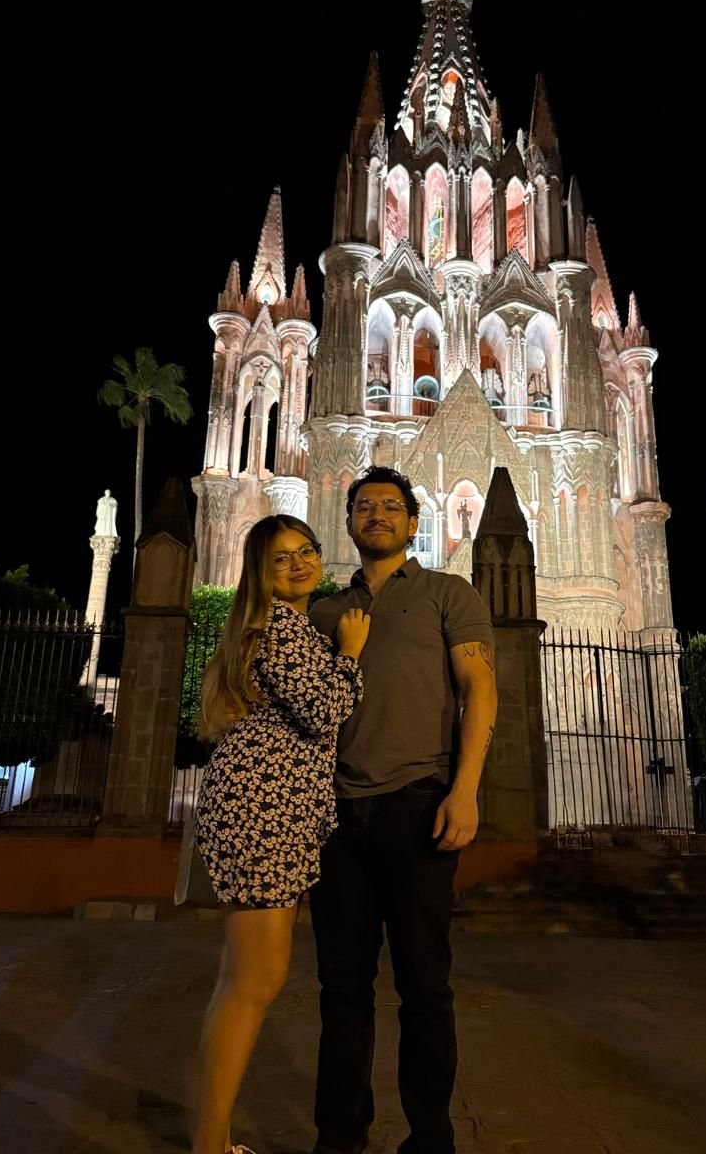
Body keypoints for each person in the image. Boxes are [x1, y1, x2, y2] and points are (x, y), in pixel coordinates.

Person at [308, 466, 498, 1154]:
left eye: (391, 506)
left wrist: (465, 789)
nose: (378, 515)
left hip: (418, 804)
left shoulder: (449, 593)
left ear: (415, 522)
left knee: (423, 985)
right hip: (336, 816)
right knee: (341, 987)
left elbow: (480, 688)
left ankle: (431, 1137)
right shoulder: (323, 613)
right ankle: (339, 1135)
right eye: (365, 506)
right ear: (348, 521)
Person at [189, 514, 371, 1154]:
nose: (300, 563)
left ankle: (211, 1138)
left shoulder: (269, 626)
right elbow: (325, 710)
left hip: (267, 804)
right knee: (254, 984)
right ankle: (209, 1146)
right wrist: (350, 651)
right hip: (267, 807)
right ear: (259, 574)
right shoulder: (280, 628)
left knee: (238, 982)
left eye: (307, 550)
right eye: (281, 558)